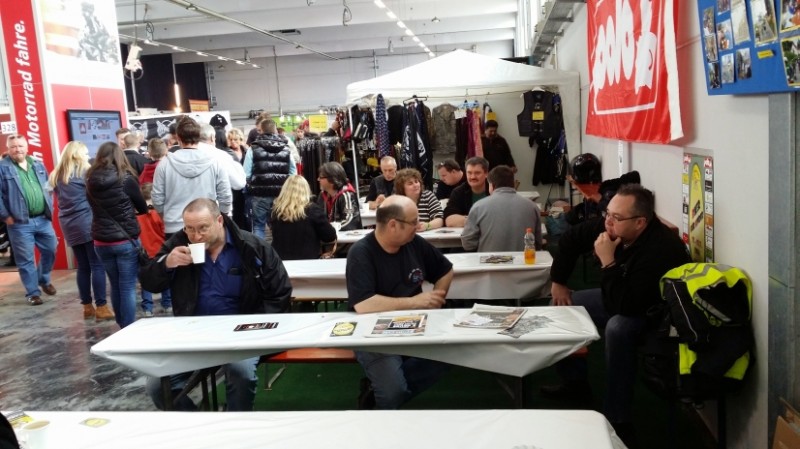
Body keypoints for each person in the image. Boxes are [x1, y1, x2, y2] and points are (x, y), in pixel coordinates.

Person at [543, 184, 690, 445]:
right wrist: (559, 282)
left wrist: (608, 262)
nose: (608, 222)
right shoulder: (612, 226)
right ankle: (575, 382)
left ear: (640, 222)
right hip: (622, 295)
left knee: (618, 328)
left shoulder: (660, 250)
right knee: (563, 305)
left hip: (654, 312)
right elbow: (569, 240)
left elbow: (626, 306)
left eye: (616, 217)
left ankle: (617, 418)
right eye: (607, 214)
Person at [140, 198, 292, 411]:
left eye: (203, 228)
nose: (196, 236)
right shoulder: (178, 244)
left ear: (219, 221)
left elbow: (280, 292)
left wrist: (258, 329)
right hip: (195, 335)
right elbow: (148, 281)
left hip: (243, 335)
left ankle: (235, 425)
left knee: (241, 372)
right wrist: (166, 263)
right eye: (190, 229)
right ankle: (202, 426)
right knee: (157, 386)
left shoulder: (251, 247)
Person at [346, 195, 454, 409]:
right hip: (373, 333)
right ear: (393, 225)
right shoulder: (360, 252)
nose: (419, 225)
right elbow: (364, 304)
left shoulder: (414, 243)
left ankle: (377, 390)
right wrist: (415, 302)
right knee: (393, 392)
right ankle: (384, 397)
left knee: (453, 352)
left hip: (416, 325)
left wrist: (436, 298)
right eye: (414, 222)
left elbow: (445, 270)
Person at [86, 142, 149, 328]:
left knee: (115, 284)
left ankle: (122, 325)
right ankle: (127, 327)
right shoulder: (126, 179)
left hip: (101, 241)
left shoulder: (90, 180)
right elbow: (142, 208)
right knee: (127, 285)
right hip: (125, 240)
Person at [49, 141, 112, 320]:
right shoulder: (84, 172)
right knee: (97, 265)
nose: (87, 156)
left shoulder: (56, 174)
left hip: (68, 224)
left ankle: (87, 307)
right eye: (84, 153)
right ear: (77, 155)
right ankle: (102, 307)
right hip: (87, 221)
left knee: (83, 267)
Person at [0, 135, 59, 306]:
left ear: (26, 148)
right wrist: (5, 216)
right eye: (13, 146)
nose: (17, 149)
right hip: (19, 223)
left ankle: (43, 279)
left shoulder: (37, 164)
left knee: (51, 249)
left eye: (20, 146)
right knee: (25, 259)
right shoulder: (3, 168)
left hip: (42, 219)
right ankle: (33, 293)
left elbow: (48, 187)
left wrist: (49, 207)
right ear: (8, 149)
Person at [152, 116, 232, 236]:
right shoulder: (215, 162)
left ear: (178, 138)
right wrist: (219, 219)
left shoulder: (164, 164)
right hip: (207, 225)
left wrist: (167, 217)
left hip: (175, 226)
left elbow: (157, 199)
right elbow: (225, 196)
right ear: (199, 137)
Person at [461, 165, 542, 252]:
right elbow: (538, 243)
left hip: (489, 259)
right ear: (513, 184)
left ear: (491, 185)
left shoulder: (478, 206)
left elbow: (468, 244)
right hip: (524, 259)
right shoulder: (532, 206)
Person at [244, 119, 296, 238]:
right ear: (275, 130)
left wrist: (252, 184)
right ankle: (280, 249)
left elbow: (246, 174)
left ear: (261, 131)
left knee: (258, 226)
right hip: (281, 195)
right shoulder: (286, 148)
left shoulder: (253, 149)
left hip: (259, 194)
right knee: (280, 225)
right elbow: (293, 172)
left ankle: (261, 250)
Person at [271, 175, 337, 260]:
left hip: (281, 261)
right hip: (307, 261)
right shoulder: (312, 210)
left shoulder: (276, 212)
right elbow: (330, 236)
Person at [136, 183, 172, 317]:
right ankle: (167, 304)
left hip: (144, 253)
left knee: (146, 280)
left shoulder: (137, 215)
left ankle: (147, 308)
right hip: (160, 251)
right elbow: (164, 232)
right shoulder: (159, 214)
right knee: (165, 277)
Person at [443, 156, 490, 227]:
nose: (473, 177)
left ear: (486, 174)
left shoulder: (495, 190)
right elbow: (449, 219)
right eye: (469, 173)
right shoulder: (458, 192)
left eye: (477, 173)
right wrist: (476, 220)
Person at [316, 161, 362, 231]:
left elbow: (350, 221)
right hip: (330, 236)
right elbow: (318, 217)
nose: (318, 179)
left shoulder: (346, 194)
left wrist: (328, 230)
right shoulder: (322, 195)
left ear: (332, 179)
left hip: (348, 237)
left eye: (321, 177)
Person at [227, 128, 250, 231]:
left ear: (241, 140)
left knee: (247, 212)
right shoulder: (227, 153)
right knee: (237, 212)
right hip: (234, 187)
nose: (233, 142)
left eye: (235, 139)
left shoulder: (247, 151)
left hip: (247, 185)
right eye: (231, 139)